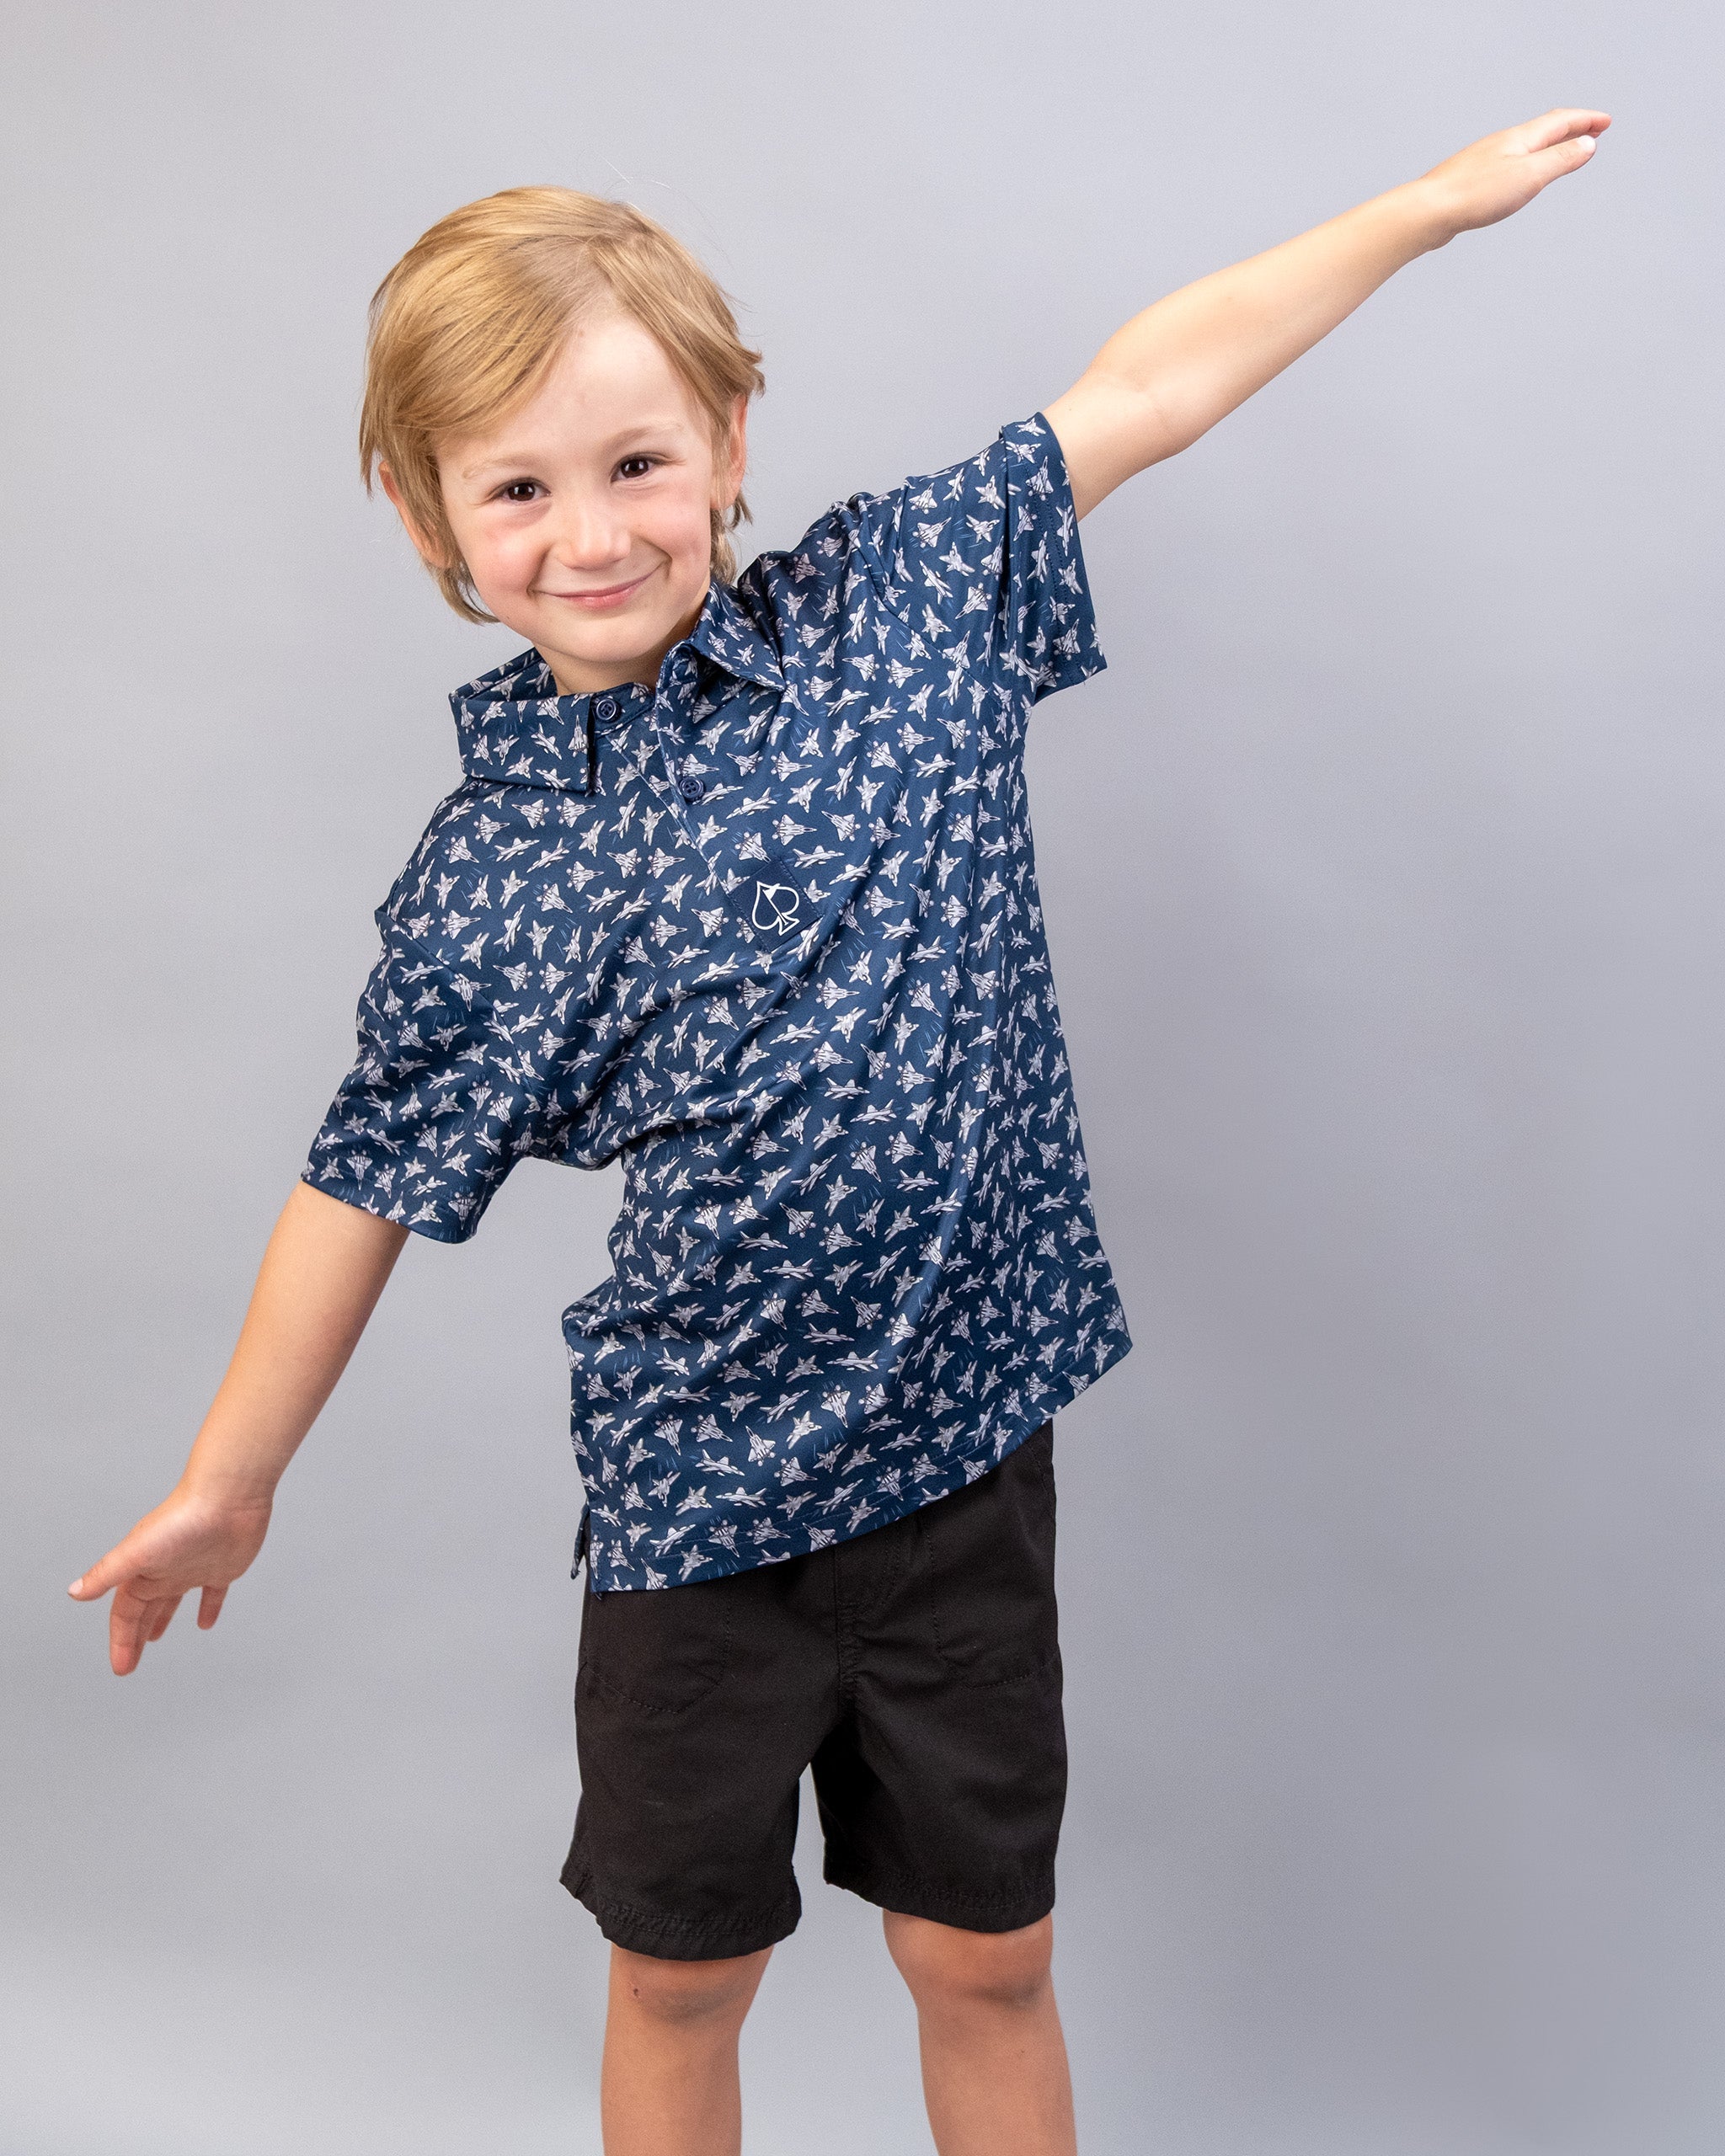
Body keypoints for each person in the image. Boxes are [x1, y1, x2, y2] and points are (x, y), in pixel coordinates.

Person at [69, 106, 1609, 2156]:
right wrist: (227, 1478)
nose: (590, 533)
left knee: (985, 1954)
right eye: (518, 487)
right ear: (424, 512)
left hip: (960, 1466)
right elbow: (362, 1179)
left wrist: (1418, 212)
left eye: (635, 462)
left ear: (726, 438)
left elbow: (1146, 387)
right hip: (700, 1506)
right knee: (679, 1971)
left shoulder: (901, 608)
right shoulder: (494, 869)